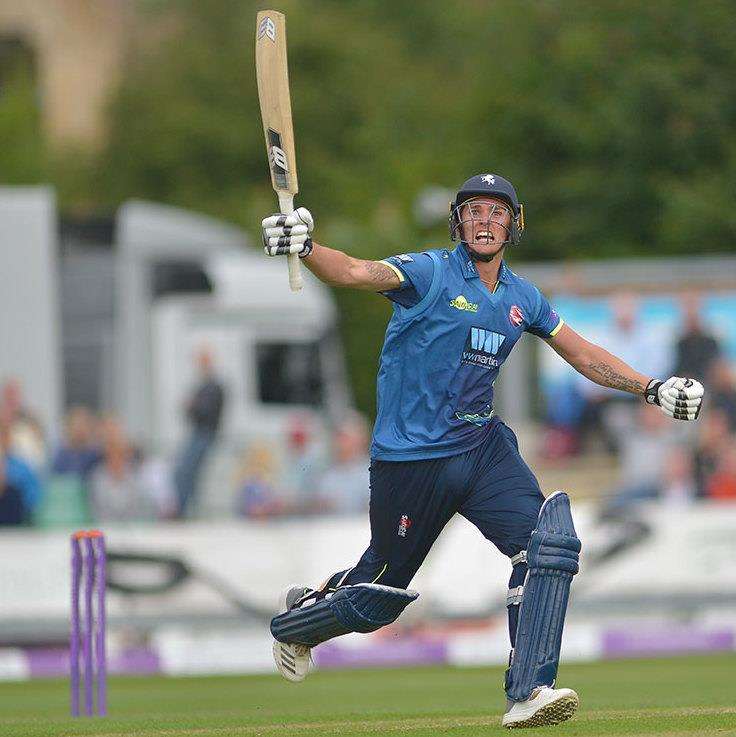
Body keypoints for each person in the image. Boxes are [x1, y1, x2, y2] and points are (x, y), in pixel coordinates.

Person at [260, 173, 705, 728]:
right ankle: (300, 621)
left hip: (481, 447)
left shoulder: (523, 297)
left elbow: (583, 354)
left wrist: (651, 388)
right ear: (458, 221)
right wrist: (306, 247)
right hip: (411, 459)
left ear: (514, 224)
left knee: (549, 543)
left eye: (497, 212)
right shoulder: (429, 273)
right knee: (378, 597)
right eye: (474, 211)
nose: (485, 221)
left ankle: (530, 690)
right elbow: (356, 271)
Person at [172, 347, 226, 518]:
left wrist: (192, 405)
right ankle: (185, 510)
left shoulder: (214, 387)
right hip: (199, 433)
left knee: (188, 471)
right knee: (187, 472)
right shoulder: (204, 386)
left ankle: (183, 511)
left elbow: (205, 411)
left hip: (205, 434)